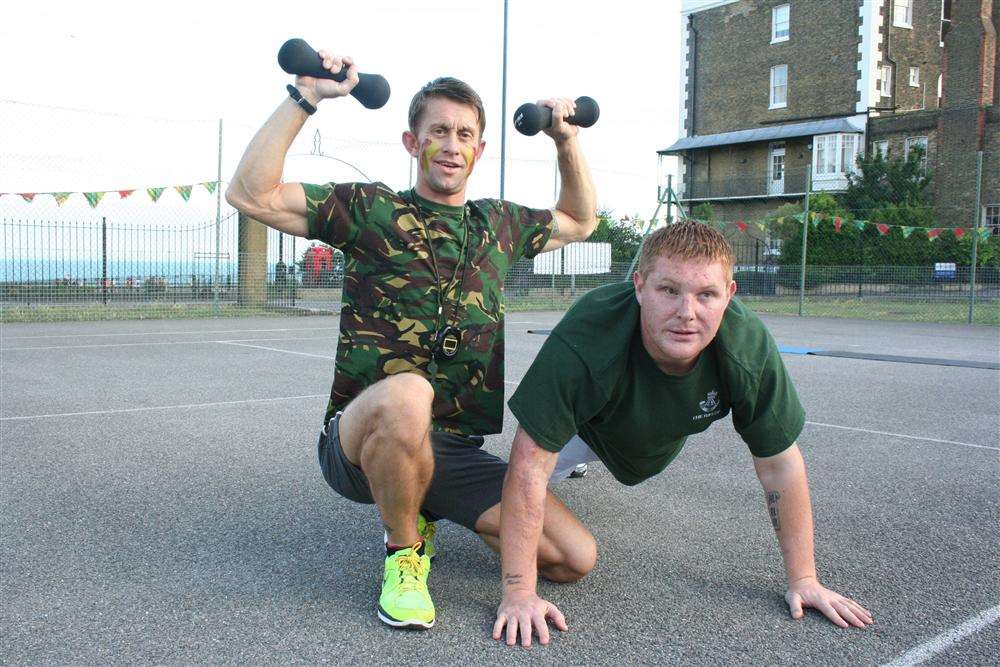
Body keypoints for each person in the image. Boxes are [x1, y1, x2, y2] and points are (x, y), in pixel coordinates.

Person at [225, 51, 597, 629]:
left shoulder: (498, 225)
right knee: (408, 396)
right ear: (411, 141)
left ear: (478, 150)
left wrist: (565, 140)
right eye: (439, 131)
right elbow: (251, 193)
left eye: (465, 134)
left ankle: (424, 501)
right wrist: (306, 96)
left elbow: (580, 220)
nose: (452, 144)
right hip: (362, 437)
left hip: (452, 450)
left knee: (574, 559)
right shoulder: (372, 211)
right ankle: (404, 553)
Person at [490, 221, 874, 647]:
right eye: (669, 290)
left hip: (646, 437)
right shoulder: (590, 333)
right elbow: (529, 465)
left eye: (705, 294)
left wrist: (805, 579)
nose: (686, 312)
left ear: (729, 295)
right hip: (585, 429)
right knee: (547, 517)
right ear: (639, 287)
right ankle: (454, 475)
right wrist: (519, 591)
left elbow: (780, 465)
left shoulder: (746, 348)